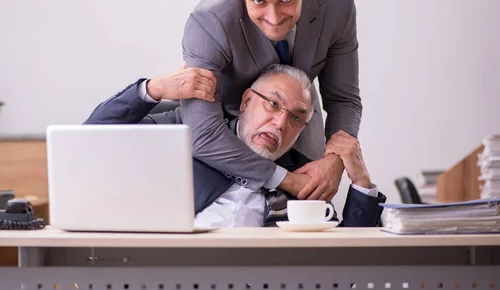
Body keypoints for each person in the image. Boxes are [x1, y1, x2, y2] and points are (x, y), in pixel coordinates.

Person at [180, 0, 362, 202]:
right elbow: (203, 134)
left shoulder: (338, 2)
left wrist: (335, 160)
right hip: (230, 136)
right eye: (258, 2)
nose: (274, 17)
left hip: (300, 125)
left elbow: (343, 99)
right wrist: (285, 180)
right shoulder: (209, 22)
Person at [84, 64, 385, 228]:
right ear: (246, 101)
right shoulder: (187, 134)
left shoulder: (301, 175)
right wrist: (153, 89)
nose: (280, 123)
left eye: (296, 118)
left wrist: (361, 184)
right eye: (273, 104)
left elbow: (340, 266)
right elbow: (93, 138)